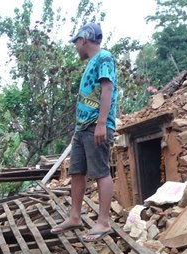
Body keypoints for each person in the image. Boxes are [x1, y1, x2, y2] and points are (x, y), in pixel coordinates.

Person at [50, 23, 118, 242]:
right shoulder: (91, 62)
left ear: (84, 40)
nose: (76, 47)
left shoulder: (104, 57)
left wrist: (101, 123)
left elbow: (107, 89)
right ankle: (75, 217)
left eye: (76, 42)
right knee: (77, 171)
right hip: (82, 127)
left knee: (100, 171)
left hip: (96, 125)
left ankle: (103, 222)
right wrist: (77, 130)